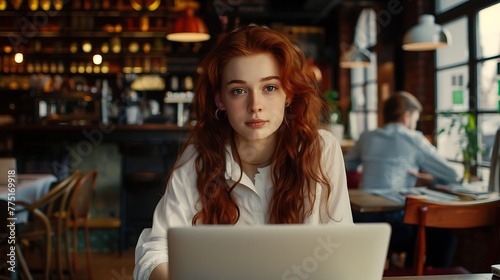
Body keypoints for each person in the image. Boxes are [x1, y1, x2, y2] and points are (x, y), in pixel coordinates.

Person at [134, 26, 353, 280]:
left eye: (269, 87)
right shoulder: (198, 157)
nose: (255, 106)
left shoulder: (320, 149)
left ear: (288, 94)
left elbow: (340, 248)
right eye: (239, 90)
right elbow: (155, 251)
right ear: (220, 100)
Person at [344, 91, 460, 268]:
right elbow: (453, 175)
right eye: (415, 119)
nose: (414, 124)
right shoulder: (414, 139)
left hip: (359, 219)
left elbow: (347, 165)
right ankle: (416, 274)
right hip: (396, 223)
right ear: (406, 116)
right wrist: (430, 181)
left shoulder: (367, 137)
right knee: (444, 238)